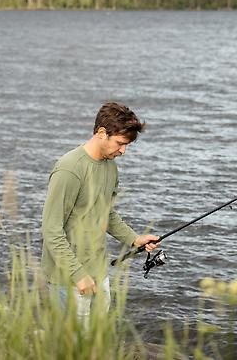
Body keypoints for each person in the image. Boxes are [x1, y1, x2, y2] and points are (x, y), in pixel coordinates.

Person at [41, 102, 159, 318]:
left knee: (96, 346)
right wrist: (78, 275)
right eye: (120, 143)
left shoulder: (110, 166)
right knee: (72, 350)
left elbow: (107, 212)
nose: (123, 151)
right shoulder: (69, 169)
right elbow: (51, 230)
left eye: (127, 146)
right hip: (69, 280)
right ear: (102, 133)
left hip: (99, 272)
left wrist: (134, 239)